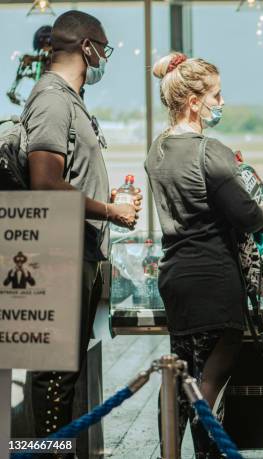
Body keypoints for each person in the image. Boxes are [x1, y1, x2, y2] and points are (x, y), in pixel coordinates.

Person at [146, 52, 263, 458]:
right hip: (214, 280)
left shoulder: (157, 150)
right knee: (208, 384)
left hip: (175, 279)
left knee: (179, 382)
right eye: (216, 95)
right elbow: (247, 216)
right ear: (194, 102)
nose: (221, 103)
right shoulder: (210, 151)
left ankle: (169, 451)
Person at [23, 10, 139, 448]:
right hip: (59, 255)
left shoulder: (69, 100)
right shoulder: (52, 100)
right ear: (86, 47)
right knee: (55, 374)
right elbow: (45, 183)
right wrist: (109, 211)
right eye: (103, 48)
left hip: (76, 252)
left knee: (66, 371)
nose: (104, 59)